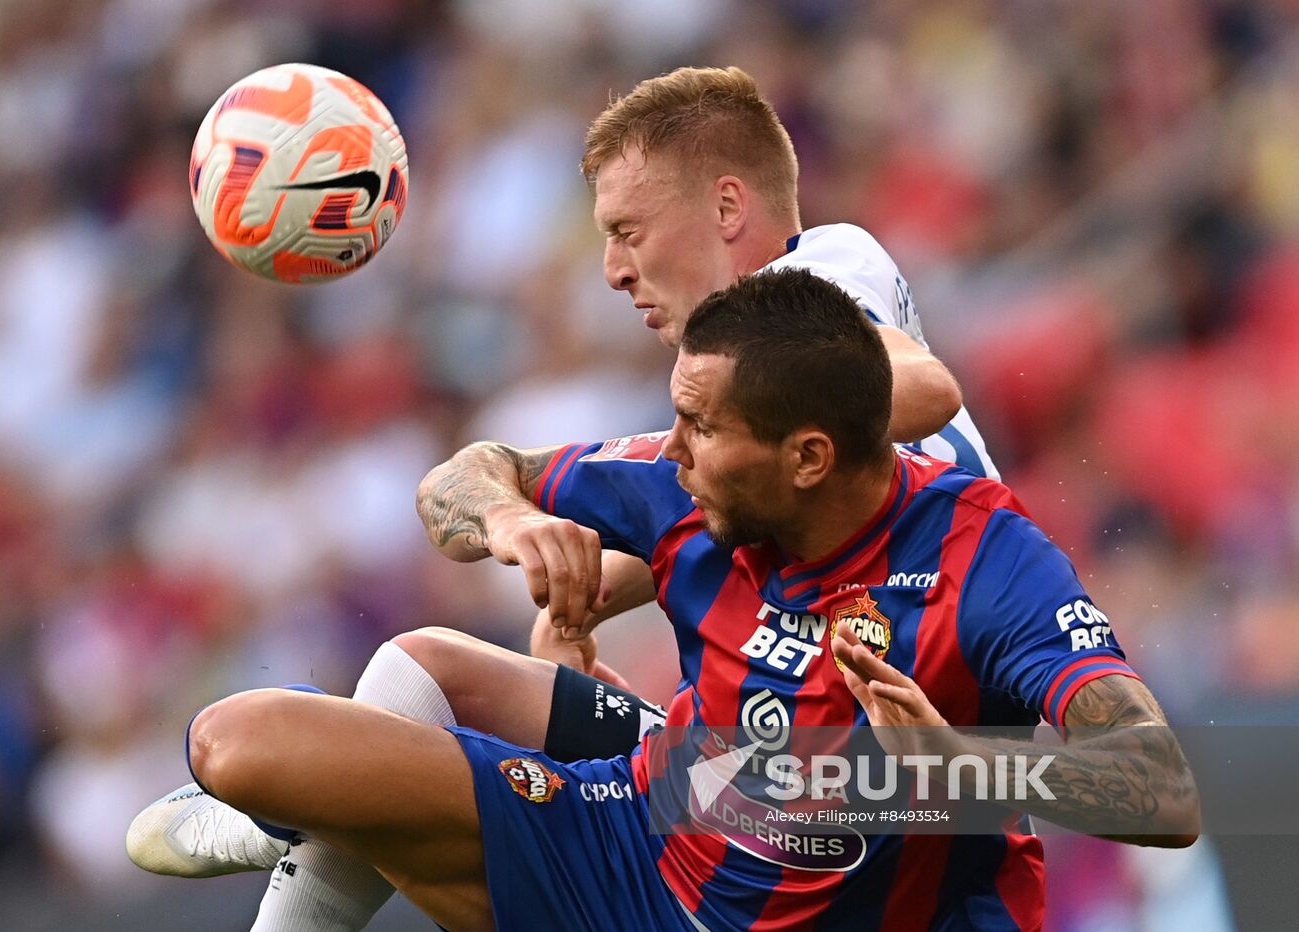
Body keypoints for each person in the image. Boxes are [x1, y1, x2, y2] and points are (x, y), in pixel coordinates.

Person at [128, 66, 993, 929]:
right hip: (741, 775)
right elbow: (463, 494)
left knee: (256, 744)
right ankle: (306, 822)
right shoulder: (734, 425)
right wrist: (540, 548)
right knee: (421, 669)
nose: (614, 271)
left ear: (729, 209)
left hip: (853, 817)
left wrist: (681, 454)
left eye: (629, 231)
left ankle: (298, 811)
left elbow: (926, 386)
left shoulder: (825, 271)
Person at [179, 269, 1198, 932]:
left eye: (695, 426)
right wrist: (507, 519)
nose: (664, 450)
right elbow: (465, 475)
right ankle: (302, 830)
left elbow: (1157, 788)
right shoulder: (679, 482)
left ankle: (315, 835)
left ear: (806, 456)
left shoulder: (984, 559)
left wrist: (953, 769)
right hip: (641, 842)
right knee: (241, 741)